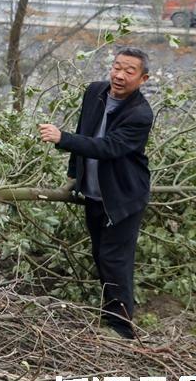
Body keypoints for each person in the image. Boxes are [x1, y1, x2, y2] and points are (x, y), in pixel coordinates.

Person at [38, 47, 154, 339]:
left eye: (129, 71)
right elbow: (85, 129)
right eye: (117, 67)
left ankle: (121, 328)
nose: (120, 75)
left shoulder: (140, 114)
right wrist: (73, 174)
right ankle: (112, 313)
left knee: (115, 259)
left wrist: (62, 138)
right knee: (101, 255)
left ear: (143, 79)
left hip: (122, 197)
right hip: (93, 193)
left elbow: (109, 147)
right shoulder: (95, 92)